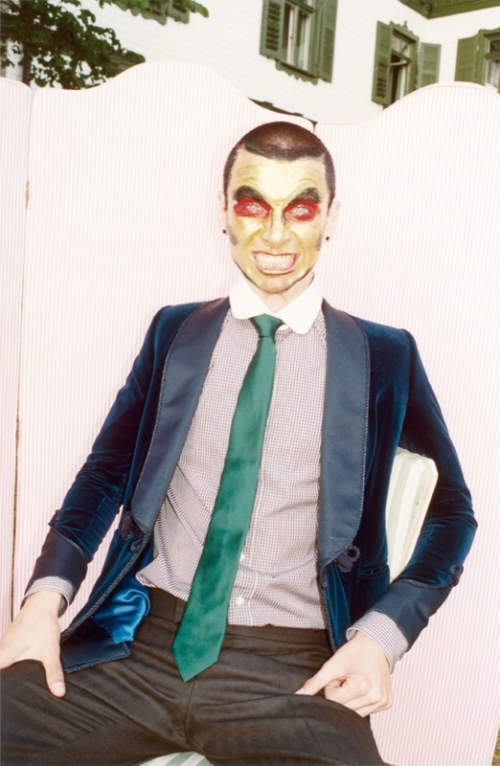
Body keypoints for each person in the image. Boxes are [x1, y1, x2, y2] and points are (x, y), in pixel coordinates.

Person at [1, 121, 476, 766]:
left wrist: (381, 638)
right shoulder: (175, 333)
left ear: (331, 218)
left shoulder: (384, 354)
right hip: (139, 642)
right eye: (253, 206)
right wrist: (42, 602)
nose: (275, 235)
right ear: (223, 211)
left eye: (300, 209)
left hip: (292, 670)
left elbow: (453, 514)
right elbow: (106, 472)